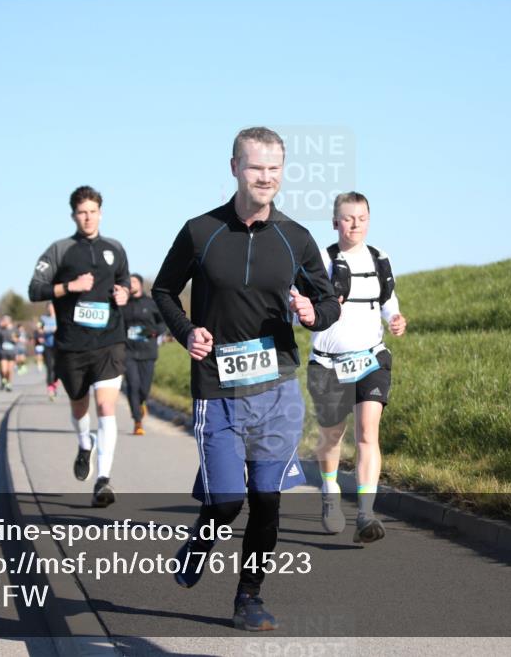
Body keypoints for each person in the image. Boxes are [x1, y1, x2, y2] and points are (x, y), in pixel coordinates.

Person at [152, 127, 340, 631]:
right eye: (256, 168)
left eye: (275, 169)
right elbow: (164, 291)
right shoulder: (200, 231)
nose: (266, 178)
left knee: (266, 500)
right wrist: (186, 331)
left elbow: (327, 304)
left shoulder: (296, 237)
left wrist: (310, 313)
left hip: (276, 388)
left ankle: (249, 596)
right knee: (227, 502)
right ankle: (204, 533)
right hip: (217, 388)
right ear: (235, 168)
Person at [306, 192, 406, 543]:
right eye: (348, 218)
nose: (355, 225)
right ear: (335, 222)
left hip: (370, 359)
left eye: (361, 218)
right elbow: (298, 304)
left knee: (368, 432)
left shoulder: (380, 258)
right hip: (328, 364)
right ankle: (330, 494)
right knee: (332, 436)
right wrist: (310, 309)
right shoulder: (320, 259)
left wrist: (394, 318)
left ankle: (366, 514)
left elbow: (388, 302)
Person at [28, 185, 130, 507]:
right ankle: (84, 443)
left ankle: (103, 479)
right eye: (82, 212)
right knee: (79, 405)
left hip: (109, 341)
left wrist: (124, 293)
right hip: (72, 345)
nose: (88, 217)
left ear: (101, 213)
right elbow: (34, 290)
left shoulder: (115, 248)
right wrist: (69, 287)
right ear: (74, 215)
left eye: (93, 211)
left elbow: (125, 280)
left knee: (106, 407)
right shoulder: (60, 250)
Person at [121, 273, 166, 435]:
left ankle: (141, 403)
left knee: (144, 388)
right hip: (128, 352)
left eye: (134, 281)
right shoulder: (122, 304)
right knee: (132, 385)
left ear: (140, 284)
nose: (131, 284)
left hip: (148, 351)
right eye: (129, 282)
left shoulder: (151, 304)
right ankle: (137, 420)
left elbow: (163, 322)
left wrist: (155, 332)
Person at [40, 301, 58, 400]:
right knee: (49, 367)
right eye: (49, 307)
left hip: (58, 346)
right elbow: (39, 329)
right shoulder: (43, 318)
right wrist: (48, 329)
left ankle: (54, 384)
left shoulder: (59, 318)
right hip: (48, 346)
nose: (51, 309)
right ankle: (50, 389)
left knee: (57, 368)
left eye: (52, 307)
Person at [0, 315, 18, 391]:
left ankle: (9, 384)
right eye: (3, 320)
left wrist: (15, 339)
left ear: (9, 321)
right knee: (3, 369)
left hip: (12, 352)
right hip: (2, 352)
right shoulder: (0, 329)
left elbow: (17, 339)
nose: (3, 321)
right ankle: (4, 380)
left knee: (9, 370)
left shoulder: (14, 329)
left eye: (5, 320)